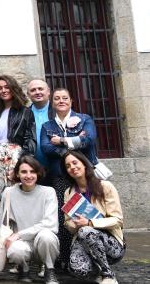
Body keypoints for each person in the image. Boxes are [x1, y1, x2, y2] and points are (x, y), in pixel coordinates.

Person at [40, 87, 99, 267]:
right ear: (53, 102)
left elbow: (89, 140)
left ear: (71, 101)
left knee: (90, 213)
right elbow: (46, 148)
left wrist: (63, 141)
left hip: (84, 176)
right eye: (57, 98)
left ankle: (94, 256)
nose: (61, 101)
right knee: (64, 216)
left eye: (65, 97)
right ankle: (66, 257)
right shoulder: (47, 126)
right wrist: (75, 143)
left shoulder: (84, 119)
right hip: (60, 178)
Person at [0, 155, 59, 284]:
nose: (28, 175)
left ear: (38, 173)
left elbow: (51, 224)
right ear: (17, 174)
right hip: (22, 244)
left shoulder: (49, 192)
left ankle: (49, 269)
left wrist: (19, 234)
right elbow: (0, 223)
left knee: (47, 236)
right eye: (24, 172)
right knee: (15, 250)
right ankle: (23, 269)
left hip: (41, 242)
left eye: (32, 171)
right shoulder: (9, 192)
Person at [62, 151, 124, 284]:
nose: (72, 167)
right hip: (83, 238)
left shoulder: (105, 186)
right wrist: (76, 224)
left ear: (84, 164)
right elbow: (67, 223)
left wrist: (90, 223)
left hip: (111, 242)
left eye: (75, 163)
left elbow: (118, 219)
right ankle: (97, 269)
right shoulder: (69, 192)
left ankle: (108, 275)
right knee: (76, 269)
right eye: (68, 166)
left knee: (86, 231)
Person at [0, 75, 36, 209]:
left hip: (16, 158)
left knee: (18, 197)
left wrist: (21, 166)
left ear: (13, 88)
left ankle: (20, 229)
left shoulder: (25, 112)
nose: (3, 90)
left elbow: (30, 140)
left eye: (7, 87)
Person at [27, 79, 52, 170]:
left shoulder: (58, 110)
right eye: (33, 90)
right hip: (33, 168)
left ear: (48, 91)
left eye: (40, 89)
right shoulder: (24, 115)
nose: (37, 92)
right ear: (28, 94)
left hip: (58, 166)